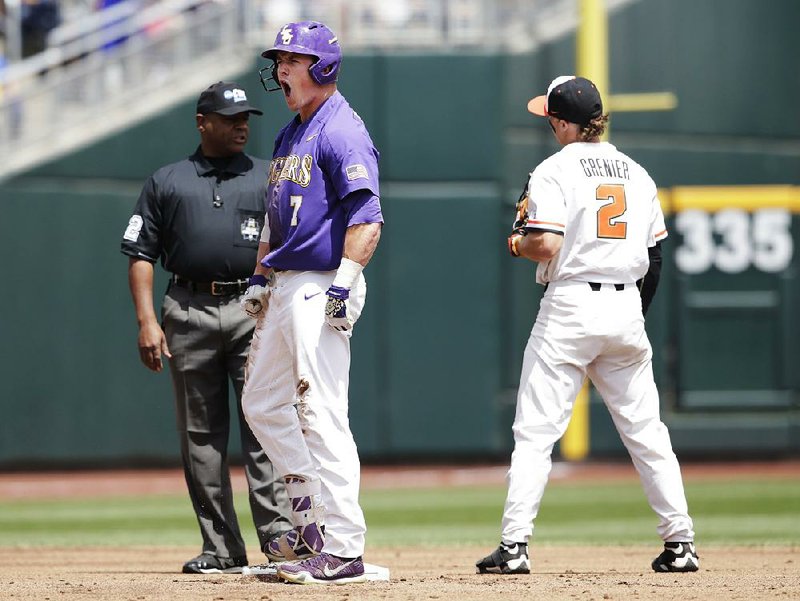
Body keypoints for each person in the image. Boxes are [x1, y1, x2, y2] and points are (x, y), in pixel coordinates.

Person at [476, 76, 698, 576]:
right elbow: (655, 256)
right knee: (647, 432)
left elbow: (546, 245)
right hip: (624, 305)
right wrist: (629, 319)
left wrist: (517, 242)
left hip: (571, 305)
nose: (548, 124)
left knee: (535, 433)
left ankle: (514, 547)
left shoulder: (552, 170)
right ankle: (680, 542)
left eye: (549, 118)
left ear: (560, 121)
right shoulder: (637, 174)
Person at [120, 81, 292, 574]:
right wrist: (147, 320)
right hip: (189, 308)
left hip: (253, 307)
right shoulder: (167, 180)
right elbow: (140, 254)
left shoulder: (268, 177)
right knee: (201, 435)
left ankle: (279, 539)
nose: (242, 125)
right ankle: (220, 547)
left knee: (264, 425)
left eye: (246, 118)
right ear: (203, 122)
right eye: (230, 117)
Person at [239, 20, 383, 585]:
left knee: (321, 412)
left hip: (324, 279)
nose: (281, 70)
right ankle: (312, 526)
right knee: (264, 402)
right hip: (285, 282)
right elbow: (276, 220)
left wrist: (345, 282)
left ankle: (345, 549)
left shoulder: (341, 129)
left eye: (293, 60)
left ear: (322, 67)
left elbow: (367, 219)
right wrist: (258, 276)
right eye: (279, 60)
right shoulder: (290, 132)